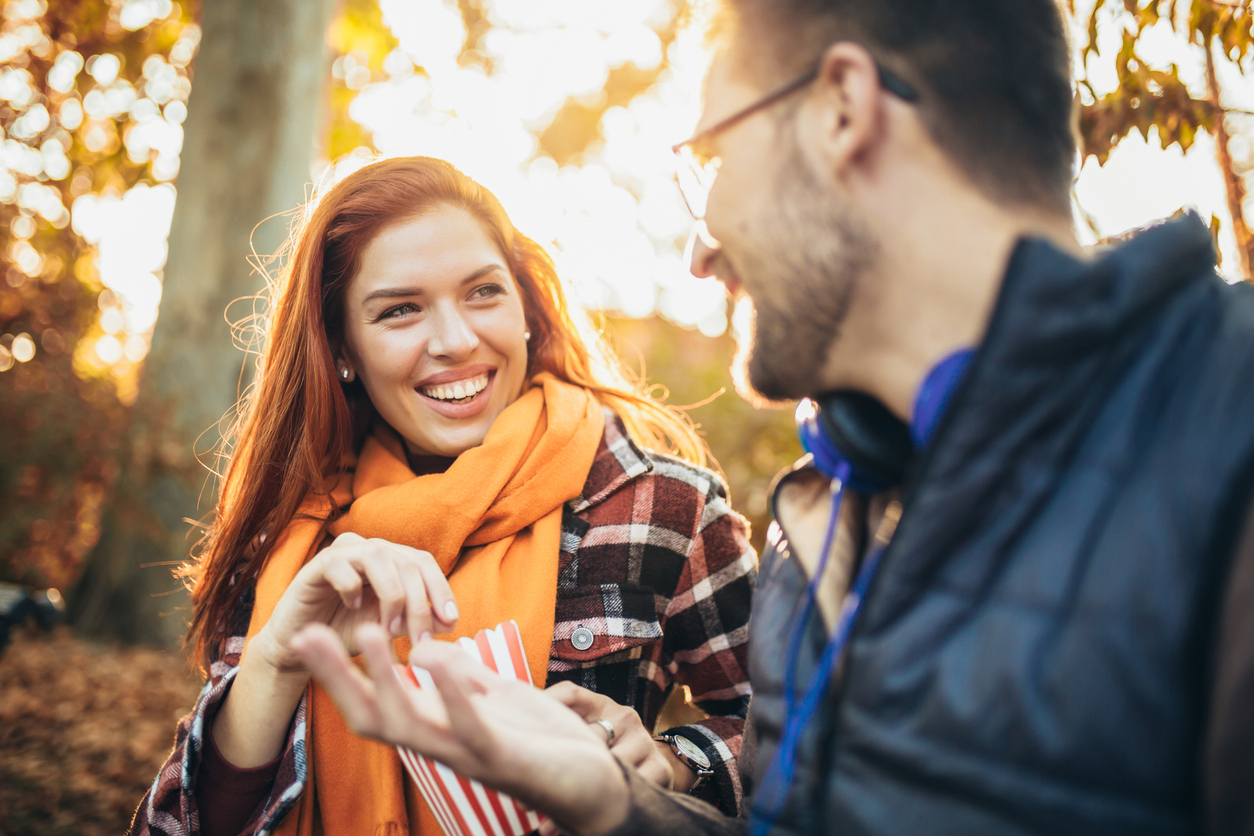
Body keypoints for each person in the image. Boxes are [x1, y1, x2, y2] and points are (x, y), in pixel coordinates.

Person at [290, 1, 1254, 835]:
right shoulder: (822, 514)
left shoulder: (1227, 431)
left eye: (711, 154)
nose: (704, 246)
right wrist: (618, 808)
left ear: (842, 106)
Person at [127, 156, 758, 836]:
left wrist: (675, 765)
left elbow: (804, 732)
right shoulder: (293, 536)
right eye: (400, 310)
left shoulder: (660, 504)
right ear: (342, 349)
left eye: (483, 292)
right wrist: (275, 660)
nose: (457, 342)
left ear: (526, 308)